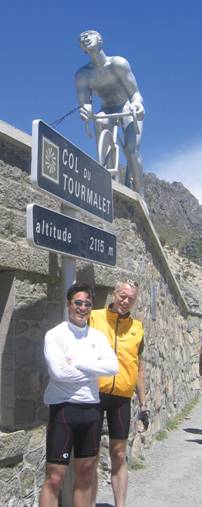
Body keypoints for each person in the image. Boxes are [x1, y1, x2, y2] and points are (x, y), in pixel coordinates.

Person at [39, 283, 118, 507]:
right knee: (54, 478)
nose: (82, 308)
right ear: (68, 304)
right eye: (78, 303)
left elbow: (112, 367)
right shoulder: (55, 335)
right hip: (63, 410)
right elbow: (58, 371)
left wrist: (80, 364)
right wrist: (93, 372)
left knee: (85, 475)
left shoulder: (97, 337)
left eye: (87, 304)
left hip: (91, 410)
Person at [89, 279, 149, 507]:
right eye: (122, 296)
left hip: (122, 399)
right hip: (94, 394)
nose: (125, 301)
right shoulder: (94, 317)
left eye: (130, 299)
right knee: (90, 455)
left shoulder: (137, 328)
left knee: (119, 455)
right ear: (114, 294)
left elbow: (139, 368)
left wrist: (143, 404)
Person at [75, 30, 145, 195]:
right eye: (81, 38)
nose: (84, 38)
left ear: (100, 40)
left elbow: (135, 93)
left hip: (127, 106)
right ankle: (105, 176)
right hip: (107, 109)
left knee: (131, 150)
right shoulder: (82, 75)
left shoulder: (118, 63)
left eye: (89, 35)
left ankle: (140, 193)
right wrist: (85, 110)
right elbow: (85, 102)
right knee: (99, 119)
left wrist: (137, 104)